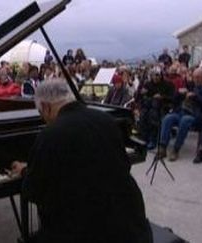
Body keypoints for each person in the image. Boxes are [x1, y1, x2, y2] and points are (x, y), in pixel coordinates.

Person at [10, 81, 152, 243]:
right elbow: (123, 165)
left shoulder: (50, 134)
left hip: (86, 233)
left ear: (46, 106)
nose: (43, 118)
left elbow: (34, 191)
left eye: (41, 113)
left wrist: (25, 171)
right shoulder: (105, 119)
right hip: (132, 224)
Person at [158, 68, 202, 161]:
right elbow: (174, 100)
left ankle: (176, 149)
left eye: (198, 77)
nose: (196, 79)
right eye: (194, 77)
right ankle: (162, 147)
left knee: (185, 120)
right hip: (181, 112)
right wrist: (178, 93)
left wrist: (196, 97)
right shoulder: (190, 86)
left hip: (195, 115)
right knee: (168, 118)